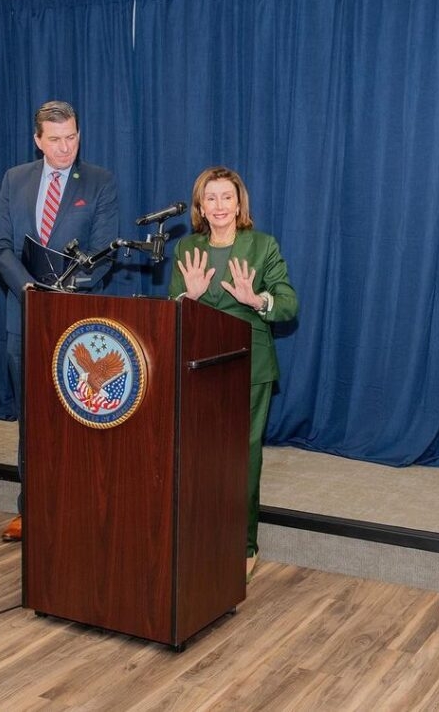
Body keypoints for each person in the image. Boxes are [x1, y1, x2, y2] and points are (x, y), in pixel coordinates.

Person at [0, 100, 119, 542]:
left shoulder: (99, 181)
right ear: (38, 141)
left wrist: (61, 293)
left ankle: (80, 509)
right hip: (24, 316)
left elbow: (104, 254)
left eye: (72, 138)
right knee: (32, 420)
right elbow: (0, 246)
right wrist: (29, 290)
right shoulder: (15, 179)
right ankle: (32, 509)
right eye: (56, 140)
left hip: (77, 319)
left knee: (79, 416)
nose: (66, 148)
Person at [169, 166, 298, 581]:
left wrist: (256, 299)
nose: (220, 205)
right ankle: (203, 535)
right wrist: (186, 297)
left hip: (250, 365)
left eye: (228, 197)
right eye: (211, 198)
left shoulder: (262, 246)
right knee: (200, 454)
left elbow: (289, 304)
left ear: (240, 203)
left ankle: (243, 544)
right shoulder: (186, 248)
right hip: (198, 365)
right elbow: (172, 309)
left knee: (243, 456)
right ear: (200, 207)